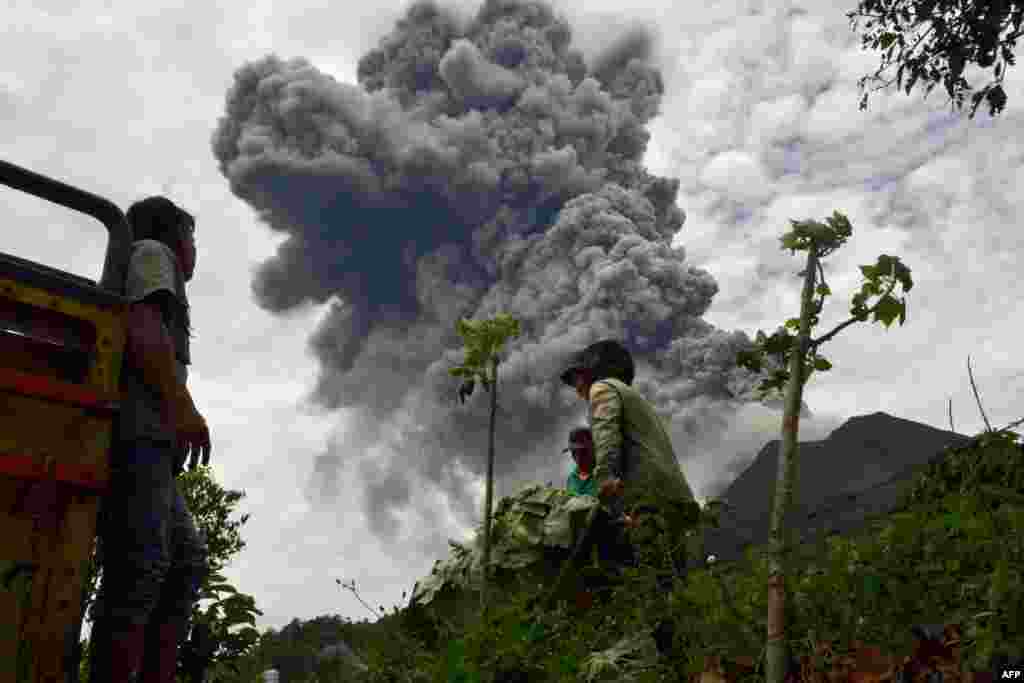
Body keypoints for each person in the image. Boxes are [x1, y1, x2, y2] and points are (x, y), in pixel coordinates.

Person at [89, 196, 212, 683]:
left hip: (153, 446)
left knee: (183, 559)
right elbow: (143, 328)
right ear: (173, 233)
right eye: (193, 236)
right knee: (139, 569)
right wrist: (183, 409)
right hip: (135, 438)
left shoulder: (159, 268)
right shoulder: (151, 254)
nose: (195, 248)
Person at [559, 339, 694, 577]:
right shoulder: (634, 398)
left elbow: (605, 433)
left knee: (651, 580)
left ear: (592, 370)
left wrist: (604, 480)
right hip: (675, 497)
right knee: (674, 581)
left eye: (576, 377)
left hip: (648, 498)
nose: (575, 386)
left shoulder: (601, 389)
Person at [564, 427, 598, 498]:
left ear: (593, 449)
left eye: (583, 452)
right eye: (574, 452)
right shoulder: (571, 478)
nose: (578, 458)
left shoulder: (603, 474)